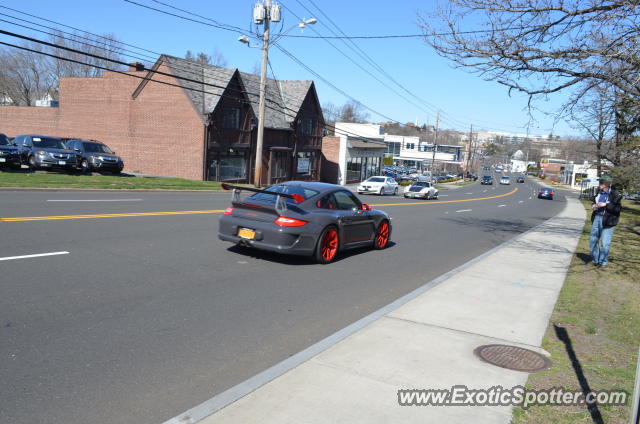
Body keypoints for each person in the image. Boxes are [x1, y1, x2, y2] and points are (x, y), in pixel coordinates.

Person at [589, 178, 623, 268]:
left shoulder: (615, 195)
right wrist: (593, 205)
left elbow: (617, 209)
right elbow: (594, 200)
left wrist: (606, 205)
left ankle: (603, 261)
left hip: (608, 221)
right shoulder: (599, 192)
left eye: (602, 182)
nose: (599, 184)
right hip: (597, 217)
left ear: (607, 184)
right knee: (593, 240)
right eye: (600, 182)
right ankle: (595, 260)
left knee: (605, 243)